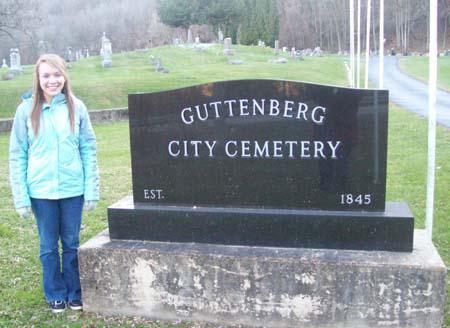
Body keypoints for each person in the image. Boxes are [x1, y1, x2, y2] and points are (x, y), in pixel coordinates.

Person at [9, 54, 99, 313]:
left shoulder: (76, 107)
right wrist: (21, 197)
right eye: (46, 75)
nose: (52, 80)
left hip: (73, 189)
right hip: (41, 191)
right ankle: (55, 292)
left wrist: (91, 189)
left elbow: (88, 148)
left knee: (71, 242)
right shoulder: (26, 110)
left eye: (57, 74)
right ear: (38, 78)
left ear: (65, 76)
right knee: (48, 245)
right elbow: (18, 154)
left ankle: (74, 291)